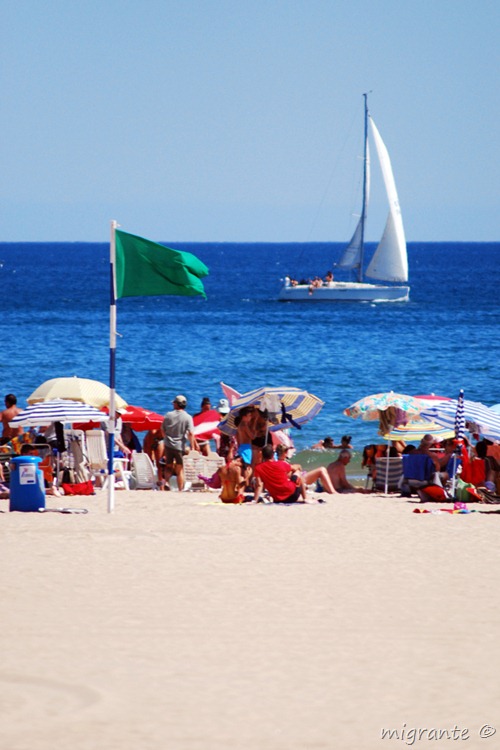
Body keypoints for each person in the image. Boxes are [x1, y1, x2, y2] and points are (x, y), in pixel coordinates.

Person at [253, 444, 318, 503]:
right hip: (293, 495)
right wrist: (298, 467)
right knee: (297, 472)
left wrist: (255, 501)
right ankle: (305, 498)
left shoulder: (258, 468)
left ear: (262, 455)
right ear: (273, 454)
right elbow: (296, 468)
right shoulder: (281, 464)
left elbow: (259, 485)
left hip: (277, 499)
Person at [161, 395, 199, 491]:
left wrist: (166, 439)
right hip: (180, 446)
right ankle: (180, 489)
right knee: (179, 469)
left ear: (177, 404)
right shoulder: (188, 417)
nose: (173, 404)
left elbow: (162, 429)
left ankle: (166, 483)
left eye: (174, 402)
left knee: (168, 466)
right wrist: (193, 447)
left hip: (168, 445)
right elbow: (190, 433)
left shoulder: (168, 415)